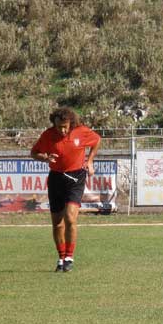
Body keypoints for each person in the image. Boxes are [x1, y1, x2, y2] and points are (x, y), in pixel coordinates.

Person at [30, 107, 101, 272]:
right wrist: (45, 158)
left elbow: (97, 140)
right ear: (54, 124)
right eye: (59, 127)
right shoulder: (48, 135)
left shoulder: (81, 132)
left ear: (71, 124)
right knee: (57, 224)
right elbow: (34, 153)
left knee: (70, 217)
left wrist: (90, 161)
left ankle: (69, 257)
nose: (62, 130)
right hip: (56, 178)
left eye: (65, 127)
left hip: (76, 178)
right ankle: (61, 258)